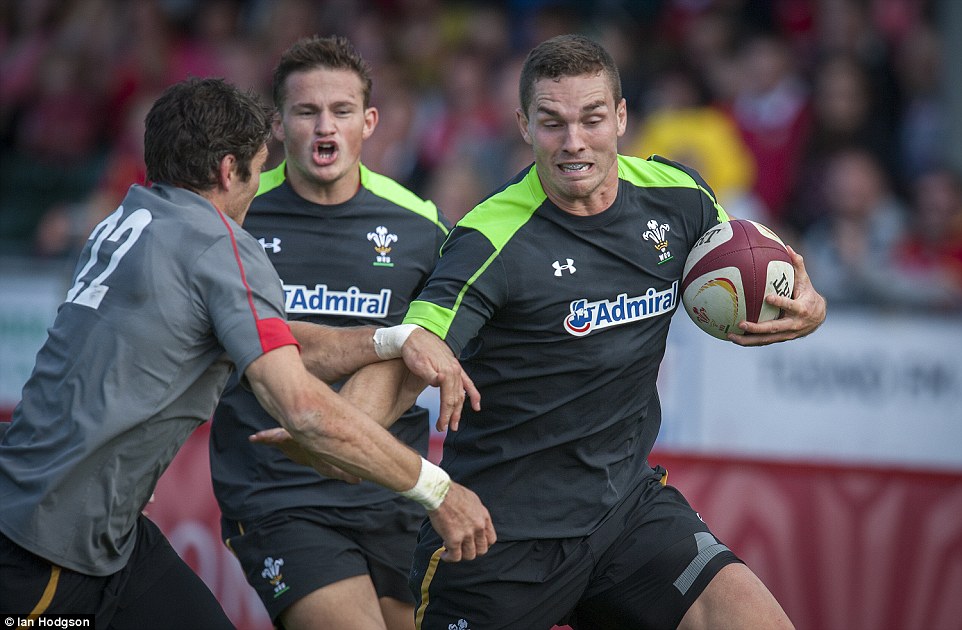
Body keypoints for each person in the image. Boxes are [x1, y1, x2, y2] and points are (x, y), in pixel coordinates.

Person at [255, 34, 826, 629]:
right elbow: (408, 359)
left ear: (622, 118)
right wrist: (335, 428)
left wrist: (808, 305)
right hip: (496, 541)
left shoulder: (681, 198)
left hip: (627, 515)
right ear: (524, 125)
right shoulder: (488, 238)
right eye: (552, 122)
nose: (574, 142)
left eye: (592, 119)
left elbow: (753, 265)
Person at [0, 77, 495, 627]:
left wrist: (389, 338)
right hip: (45, 548)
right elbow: (306, 411)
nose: (260, 188)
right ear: (226, 170)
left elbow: (273, 339)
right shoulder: (220, 245)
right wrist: (438, 490)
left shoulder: (128, 218)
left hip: (93, 526)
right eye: (259, 170)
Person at [208, 35, 449, 630]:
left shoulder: (419, 224)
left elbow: (441, 344)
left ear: (369, 121)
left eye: (341, 111)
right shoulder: (232, 216)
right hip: (277, 492)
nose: (325, 128)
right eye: (306, 111)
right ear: (276, 123)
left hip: (389, 486)